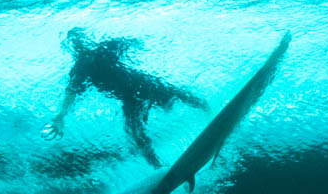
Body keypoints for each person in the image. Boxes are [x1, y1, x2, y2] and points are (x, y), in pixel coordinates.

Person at [44, 27, 209, 167]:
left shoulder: (104, 49)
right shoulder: (81, 67)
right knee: (134, 131)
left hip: (144, 84)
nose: (80, 45)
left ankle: (208, 109)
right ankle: (158, 166)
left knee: (179, 94)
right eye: (76, 42)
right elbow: (71, 93)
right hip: (131, 97)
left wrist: (130, 43)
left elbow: (134, 41)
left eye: (82, 40)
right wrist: (60, 116)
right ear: (74, 47)